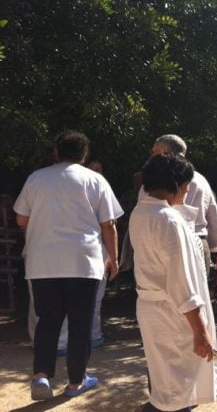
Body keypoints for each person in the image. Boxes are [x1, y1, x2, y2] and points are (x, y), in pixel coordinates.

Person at [13, 131, 122, 400]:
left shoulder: (36, 179)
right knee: (80, 323)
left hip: (43, 262)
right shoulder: (94, 180)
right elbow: (109, 224)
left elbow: (21, 220)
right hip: (83, 262)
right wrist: (114, 258)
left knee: (47, 321)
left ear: (56, 152)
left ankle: (41, 376)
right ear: (84, 155)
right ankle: (76, 382)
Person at [130, 154, 217, 412]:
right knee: (176, 391)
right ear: (173, 184)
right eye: (186, 183)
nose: (189, 189)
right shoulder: (167, 220)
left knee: (166, 385)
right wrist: (200, 331)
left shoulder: (141, 212)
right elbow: (181, 282)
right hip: (173, 314)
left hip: (154, 309)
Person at [143, 135, 217, 276]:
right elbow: (216, 221)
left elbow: (144, 213)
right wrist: (213, 247)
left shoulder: (154, 181)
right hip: (199, 242)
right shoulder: (201, 180)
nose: (151, 156)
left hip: (162, 244)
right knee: (197, 294)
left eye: (154, 152)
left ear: (165, 151)